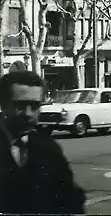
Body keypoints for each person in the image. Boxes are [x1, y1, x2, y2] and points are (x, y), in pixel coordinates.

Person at [0, 71, 85, 214]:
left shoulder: (49, 148)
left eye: (34, 106)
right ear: (3, 105)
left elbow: (70, 197)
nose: (28, 113)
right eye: (20, 106)